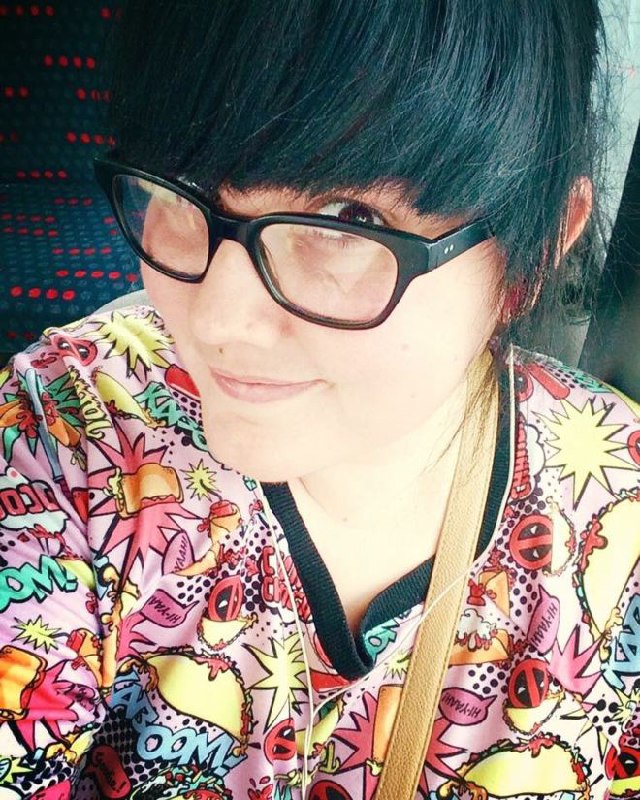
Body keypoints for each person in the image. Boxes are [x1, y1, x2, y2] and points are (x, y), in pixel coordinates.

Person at [1, 1, 639, 798]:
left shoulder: (617, 517)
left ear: (532, 255)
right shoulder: (66, 432)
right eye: (183, 185)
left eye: (347, 219)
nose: (218, 320)